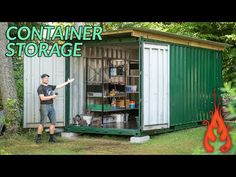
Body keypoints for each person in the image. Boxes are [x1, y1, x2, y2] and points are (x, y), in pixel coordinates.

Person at [36, 74, 74, 143]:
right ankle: (38, 138)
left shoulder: (50, 86)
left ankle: (51, 138)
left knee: (53, 123)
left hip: (51, 106)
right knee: (42, 123)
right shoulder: (40, 88)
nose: (47, 79)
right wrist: (52, 97)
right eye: (45, 78)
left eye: (47, 78)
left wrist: (67, 82)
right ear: (42, 79)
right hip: (44, 106)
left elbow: (59, 86)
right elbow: (42, 98)